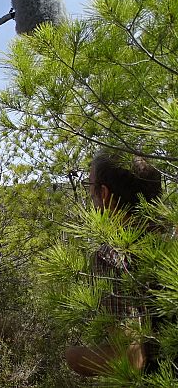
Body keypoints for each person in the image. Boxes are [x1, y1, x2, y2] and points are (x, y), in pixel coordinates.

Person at [65, 150, 162, 376]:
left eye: (91, 190)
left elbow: (129, 358)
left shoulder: (112, 259)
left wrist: (73, 356)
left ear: (105, 194)